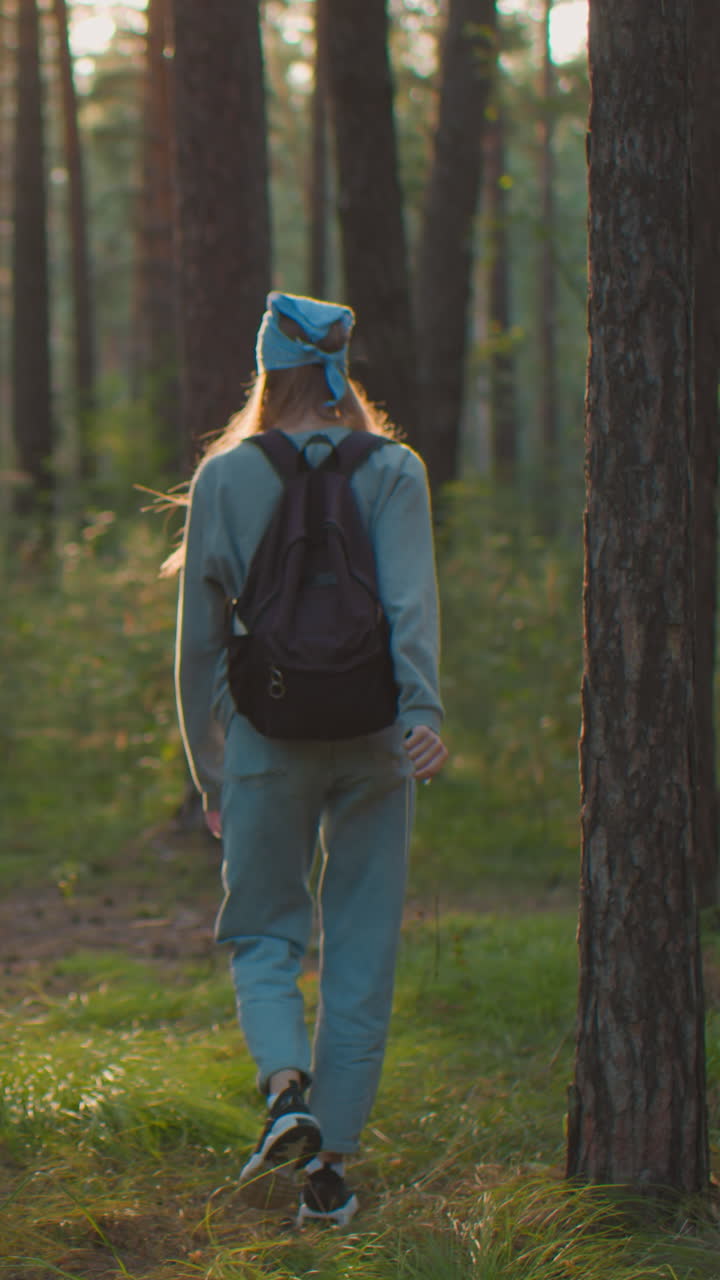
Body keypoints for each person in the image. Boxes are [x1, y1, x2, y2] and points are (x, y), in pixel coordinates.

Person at [168, 291, 447, 1226]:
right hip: (377, 738)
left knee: (265, 933)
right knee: (362, 949)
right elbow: (411, 605)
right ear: (340, 365)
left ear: (266, 366)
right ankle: (329, 1173)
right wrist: (424, 712)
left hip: (263, 736)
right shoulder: (395, 468)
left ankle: (286, 1090)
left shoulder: (226, 476)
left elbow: (199, 646)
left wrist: (212, 771)